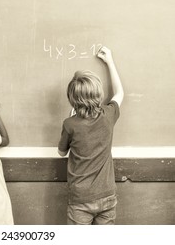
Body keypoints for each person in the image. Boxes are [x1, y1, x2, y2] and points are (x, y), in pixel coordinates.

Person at [58, 46, 124, 225]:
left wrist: (73, 117)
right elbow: (119, 93)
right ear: (99, 94)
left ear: (72, 99)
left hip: (80, 198)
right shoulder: (109, 115)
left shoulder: (69, 124)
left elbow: (62, 152)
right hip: (107, 194)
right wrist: (109, 60)